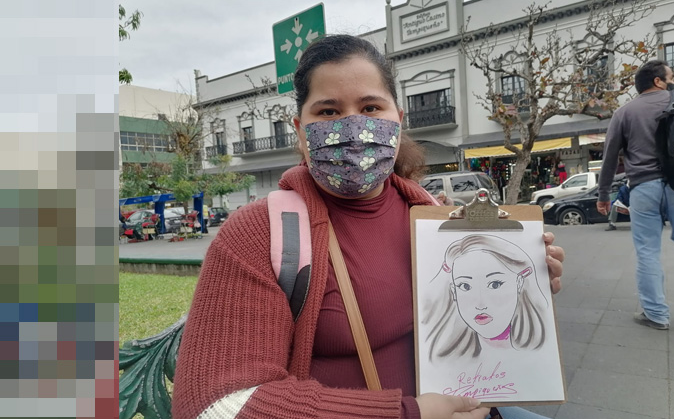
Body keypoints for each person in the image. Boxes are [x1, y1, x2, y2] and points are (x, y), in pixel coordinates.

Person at [172, 35, 565, 419]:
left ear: (398, 120)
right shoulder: (258, 233)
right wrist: (407, 413)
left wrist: (525, 277)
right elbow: (213, 406)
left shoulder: (432, 217)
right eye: (328, 112)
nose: (354, 127)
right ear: (300, 130)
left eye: (371, 107)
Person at [595, 60, 674, 331]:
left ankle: (656, 314)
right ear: (658, 81)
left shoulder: (625, 112)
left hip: (643, 187)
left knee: (648, 252)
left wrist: (604, 194)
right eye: (671, 77)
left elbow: (610, 157)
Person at [425, 235, 548, 362]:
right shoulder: (446, 360)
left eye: (495, 284)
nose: (480, 304)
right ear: (454, 292)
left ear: (519, 283)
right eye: (465, 286)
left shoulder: (540, 353)